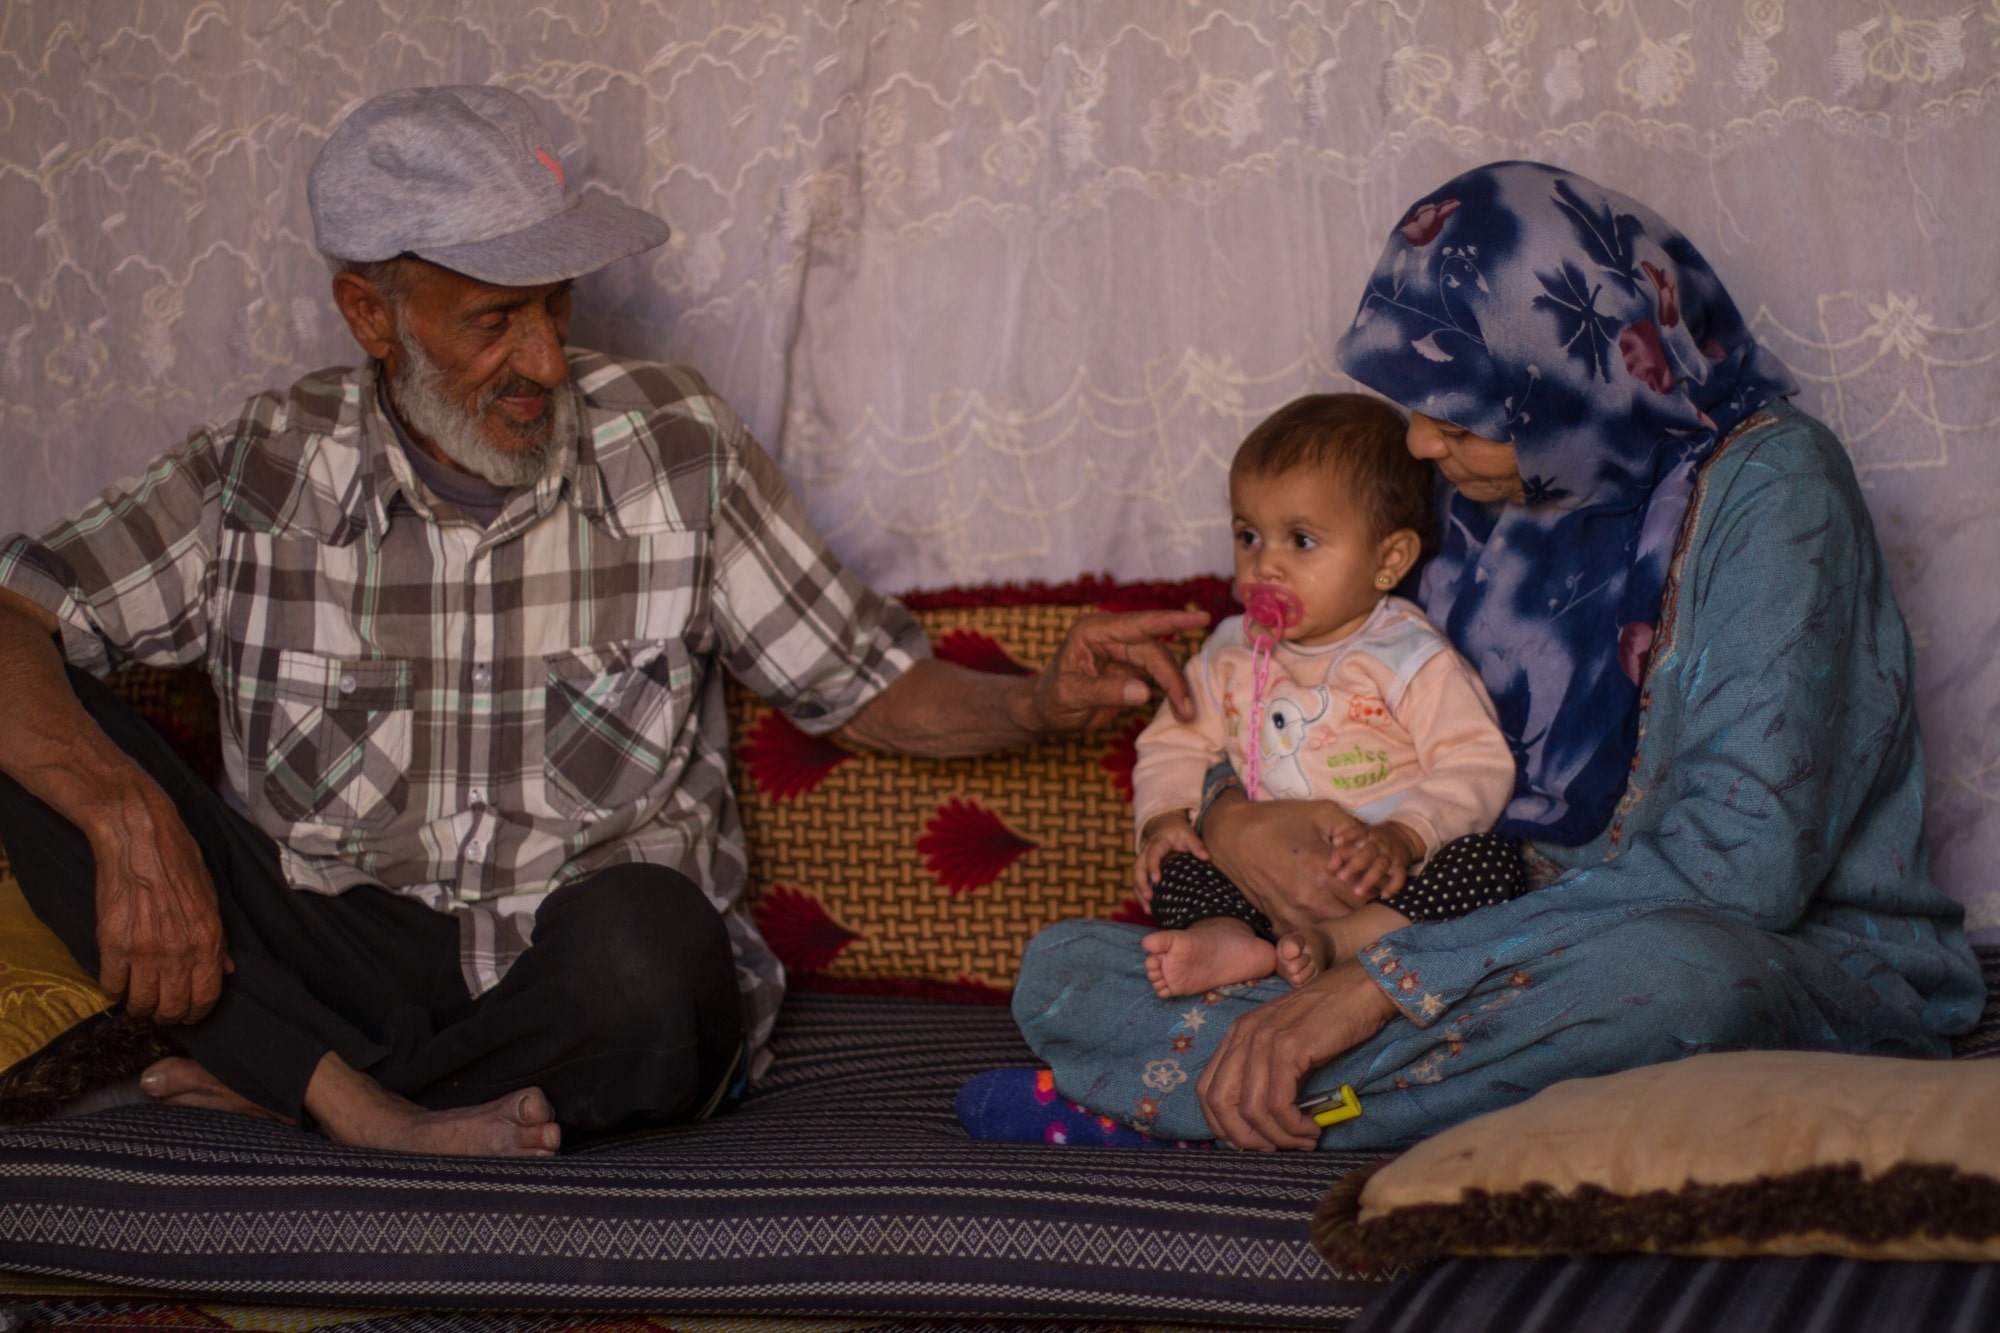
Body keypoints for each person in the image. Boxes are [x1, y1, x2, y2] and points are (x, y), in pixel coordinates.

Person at [0, 85, 1205, 1158]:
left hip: (584, 974)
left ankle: (306, 1096)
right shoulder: (255, 470)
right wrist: (123, 814)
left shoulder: (671, 441)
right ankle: (369, 1100)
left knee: (651, 945)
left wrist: (1035, 700)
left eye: (553, 306)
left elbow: (863, 680)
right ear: (371, 315)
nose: (543, 358)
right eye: (492, 322)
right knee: (32, 744)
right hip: (341, 963)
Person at [963, 160, 1985, 1151]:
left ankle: (1184, 1096)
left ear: (1558, 373)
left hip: (1721, 943)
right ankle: (1332, 1089)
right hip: (1446, 907)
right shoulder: (1475, 497)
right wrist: (1232, 821)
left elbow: (1737, 872)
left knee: (1680, 990)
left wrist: (1381, 984)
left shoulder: (1775, 492)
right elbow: (1305, 681)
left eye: (1453, 410)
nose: (1412, 444)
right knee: (1064, 968)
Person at [1131, 393, 1522, 1000]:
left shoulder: (1408, 657)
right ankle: (1227, 938)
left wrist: (1404, 837)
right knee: (1173, 863)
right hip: (1260, 885)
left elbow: (1476, 762)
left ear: (1388, 559)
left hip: (1383, 880)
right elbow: (1173, 740)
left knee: (1490, 865)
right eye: (1248, 535)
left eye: (1301, 541)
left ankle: (1345, 944)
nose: (1266, 566)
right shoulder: (1229, 652)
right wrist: (1161, 818)